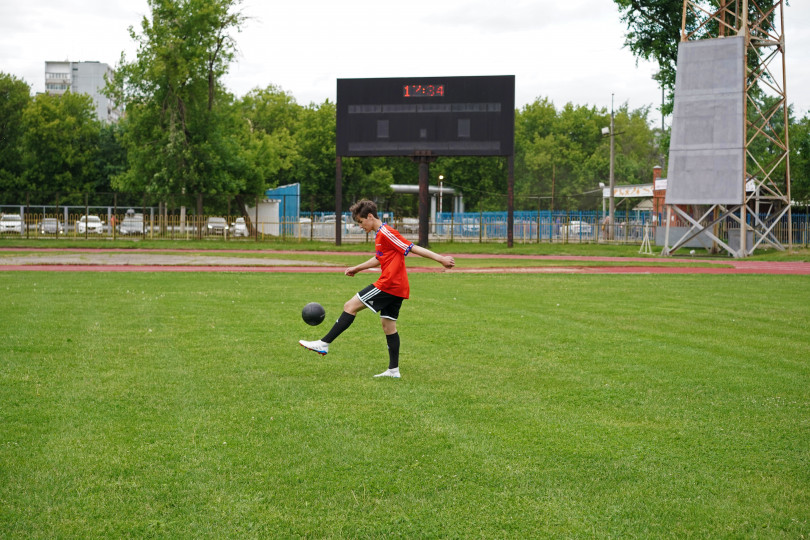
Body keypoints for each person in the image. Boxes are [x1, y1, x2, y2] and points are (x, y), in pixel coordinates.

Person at [299, 199, 455, 378]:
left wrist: (440, 259)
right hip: (398, 286)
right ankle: (393, 370)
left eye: (360, 221)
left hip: (389, 284)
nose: (360, 226)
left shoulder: (387, 232)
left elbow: (412, 248)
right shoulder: (380, 235)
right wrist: (357, 268)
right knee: (388, 326)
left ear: (370, 216)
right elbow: (379, 258)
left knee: (350, 306)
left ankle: (324, 343)